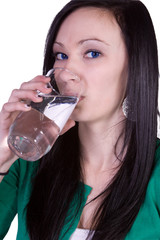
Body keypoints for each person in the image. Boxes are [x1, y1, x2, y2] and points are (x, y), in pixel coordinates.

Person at [0, 0, 159, 239]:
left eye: (92, 53)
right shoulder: (26, 162)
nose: (67, 72)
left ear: (135, 66)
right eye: (61, 55)